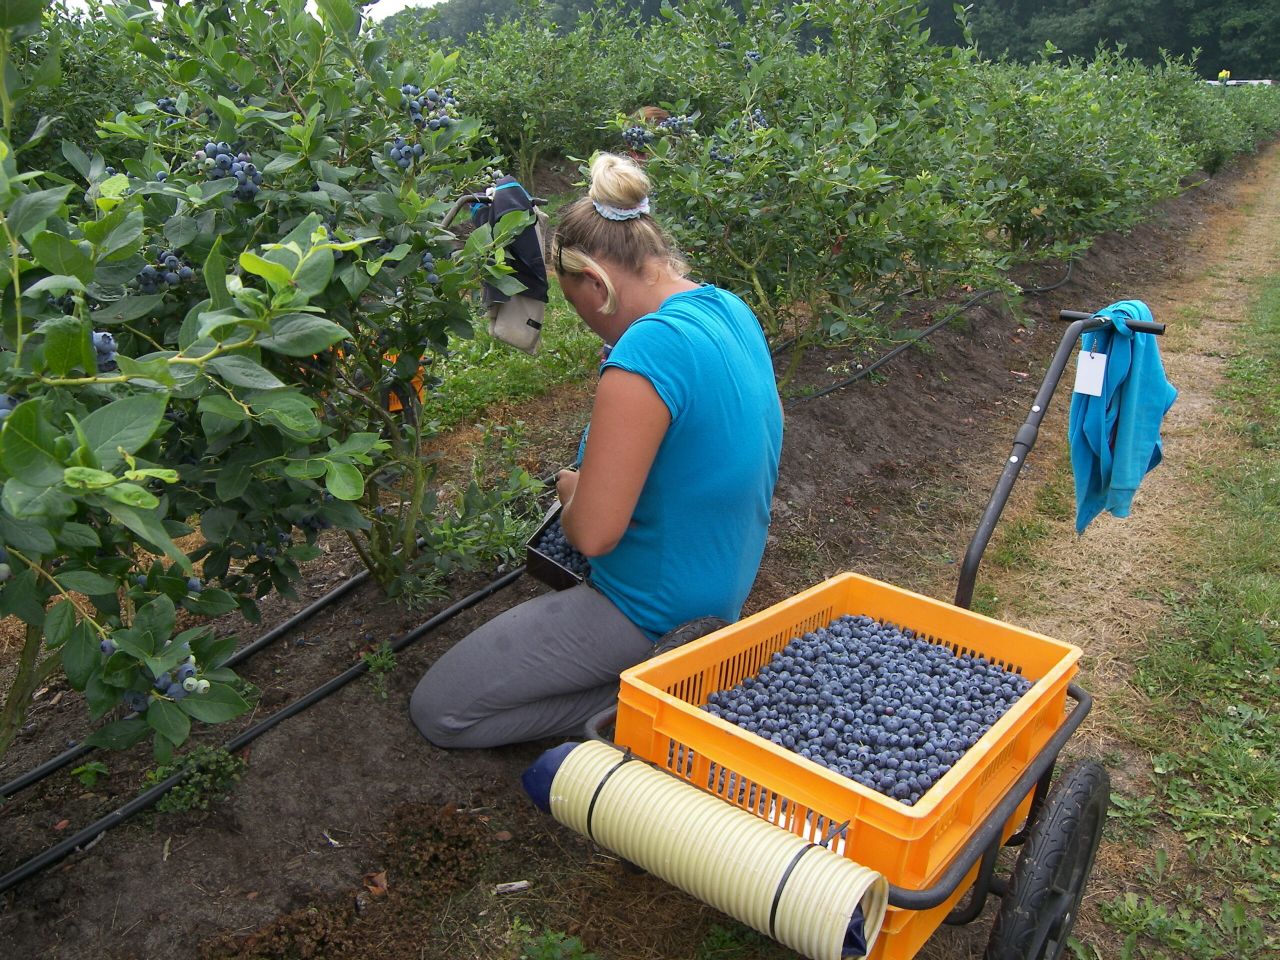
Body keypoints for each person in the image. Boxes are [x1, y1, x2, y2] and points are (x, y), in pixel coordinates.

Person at [409, 153, 783, 749]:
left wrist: (572, 490)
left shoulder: (647, 354)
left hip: (652, 608)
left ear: (595, 282)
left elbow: (592, 537)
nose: (583, 323)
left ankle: (657, 694)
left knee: (442, 710)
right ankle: (662, 679)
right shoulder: (726, 308)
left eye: (573, 302)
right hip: (718, 579)